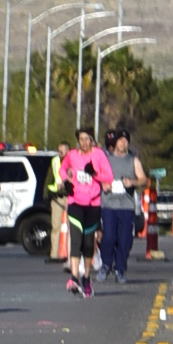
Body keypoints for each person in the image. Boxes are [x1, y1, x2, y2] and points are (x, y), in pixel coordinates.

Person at [57, 125, 113, 300]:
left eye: (87, 139)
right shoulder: (72, 155)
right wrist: (66, 181)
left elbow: (109, 177)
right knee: (76, 240)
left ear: (92, 140)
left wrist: (94, 174)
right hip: (75, 202)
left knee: (88, 244)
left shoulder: (99, 155)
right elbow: (62, 169)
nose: (84, 143)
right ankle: (74, 278)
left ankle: (86, 278)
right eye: (81, 139)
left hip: (93, 204)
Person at [99, 132, 141, 284]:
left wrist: (133, 182)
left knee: (124, 240)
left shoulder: (133, 160)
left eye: (125, 141)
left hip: (126, 206)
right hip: (109, 204)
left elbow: (143, 179)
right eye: (120, 140)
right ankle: (106, 264)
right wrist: (103, 184)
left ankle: (120, 269)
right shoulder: (106, 160)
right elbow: (97, 175)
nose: (123, 143)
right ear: (115, 143)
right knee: (109, 237)